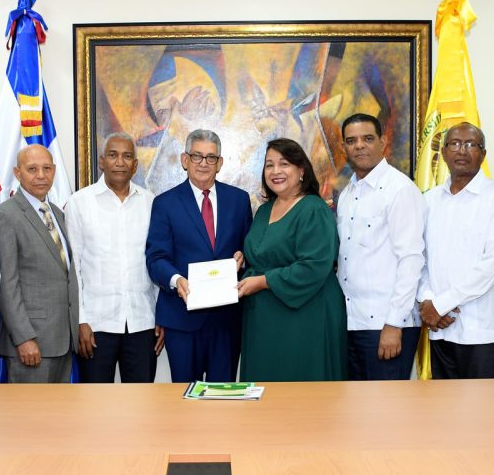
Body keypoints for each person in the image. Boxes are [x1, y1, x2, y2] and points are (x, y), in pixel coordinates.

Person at [146, 129, 253, 383]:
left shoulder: (239, 200)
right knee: (184, 397)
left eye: (211, 157)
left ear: (220, 163)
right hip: (181, 319)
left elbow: (250, 249)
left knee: (223, 397)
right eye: (197, 156)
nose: (203, 163)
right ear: (185, 160)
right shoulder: (165, 203)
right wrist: (176, 281)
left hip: (227, 322)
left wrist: (244, 258)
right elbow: (156, 258)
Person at [237, 138, 347, 381]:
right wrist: (243, 257)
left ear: (301, 171)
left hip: (306, 316)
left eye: (284, 164)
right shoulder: (264, 210)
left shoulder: (314, 209)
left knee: (302, 388)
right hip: (265, 319)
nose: (275, 171)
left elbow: (314, 266)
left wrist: (263, 281)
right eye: (269, 165)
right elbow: (263, 254)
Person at [418, 122, 494, 378]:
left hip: (482, 330)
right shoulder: (429, 200)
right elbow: (420, 259)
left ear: (483, 154)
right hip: (441, 329)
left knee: (482, 404)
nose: (461, 150)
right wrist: (428, 300)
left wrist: (441, 304)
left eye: (471, 144)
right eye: (454, 144)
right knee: (443, 403)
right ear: (443, 152)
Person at [66, 132, 163, 383]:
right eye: (113, 155)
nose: (120, 162)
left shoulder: (151, 203)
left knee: (142, 401)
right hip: (96, 325)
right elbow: (73, 268)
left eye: (127, 156)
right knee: (95, 402)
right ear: (102, 161)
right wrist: (80, 321)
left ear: (135, 165)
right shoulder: (79, 203)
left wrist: (160, 316)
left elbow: (156, 261)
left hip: (142, 322)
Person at [335, 113, 425, 380]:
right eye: (351, 140)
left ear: (383, 142)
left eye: (367, 138)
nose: (359, 146)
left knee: (386, 404)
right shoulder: (348, 194)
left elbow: (411, 260)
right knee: (354, 404)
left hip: (387, 325)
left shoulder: (399, 189)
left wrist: (394, 324)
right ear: (343, 147)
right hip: (352, 323)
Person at [0, 144, 80, 383]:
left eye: (47, 168)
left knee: (59, 407)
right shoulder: (6, 215)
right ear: (17, 173)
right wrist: (23, 338)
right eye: (32, 169)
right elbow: (7, 285)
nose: (41, 175)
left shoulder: (57, 214)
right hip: (31, 342)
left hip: (62, 339)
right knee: (29, 408)